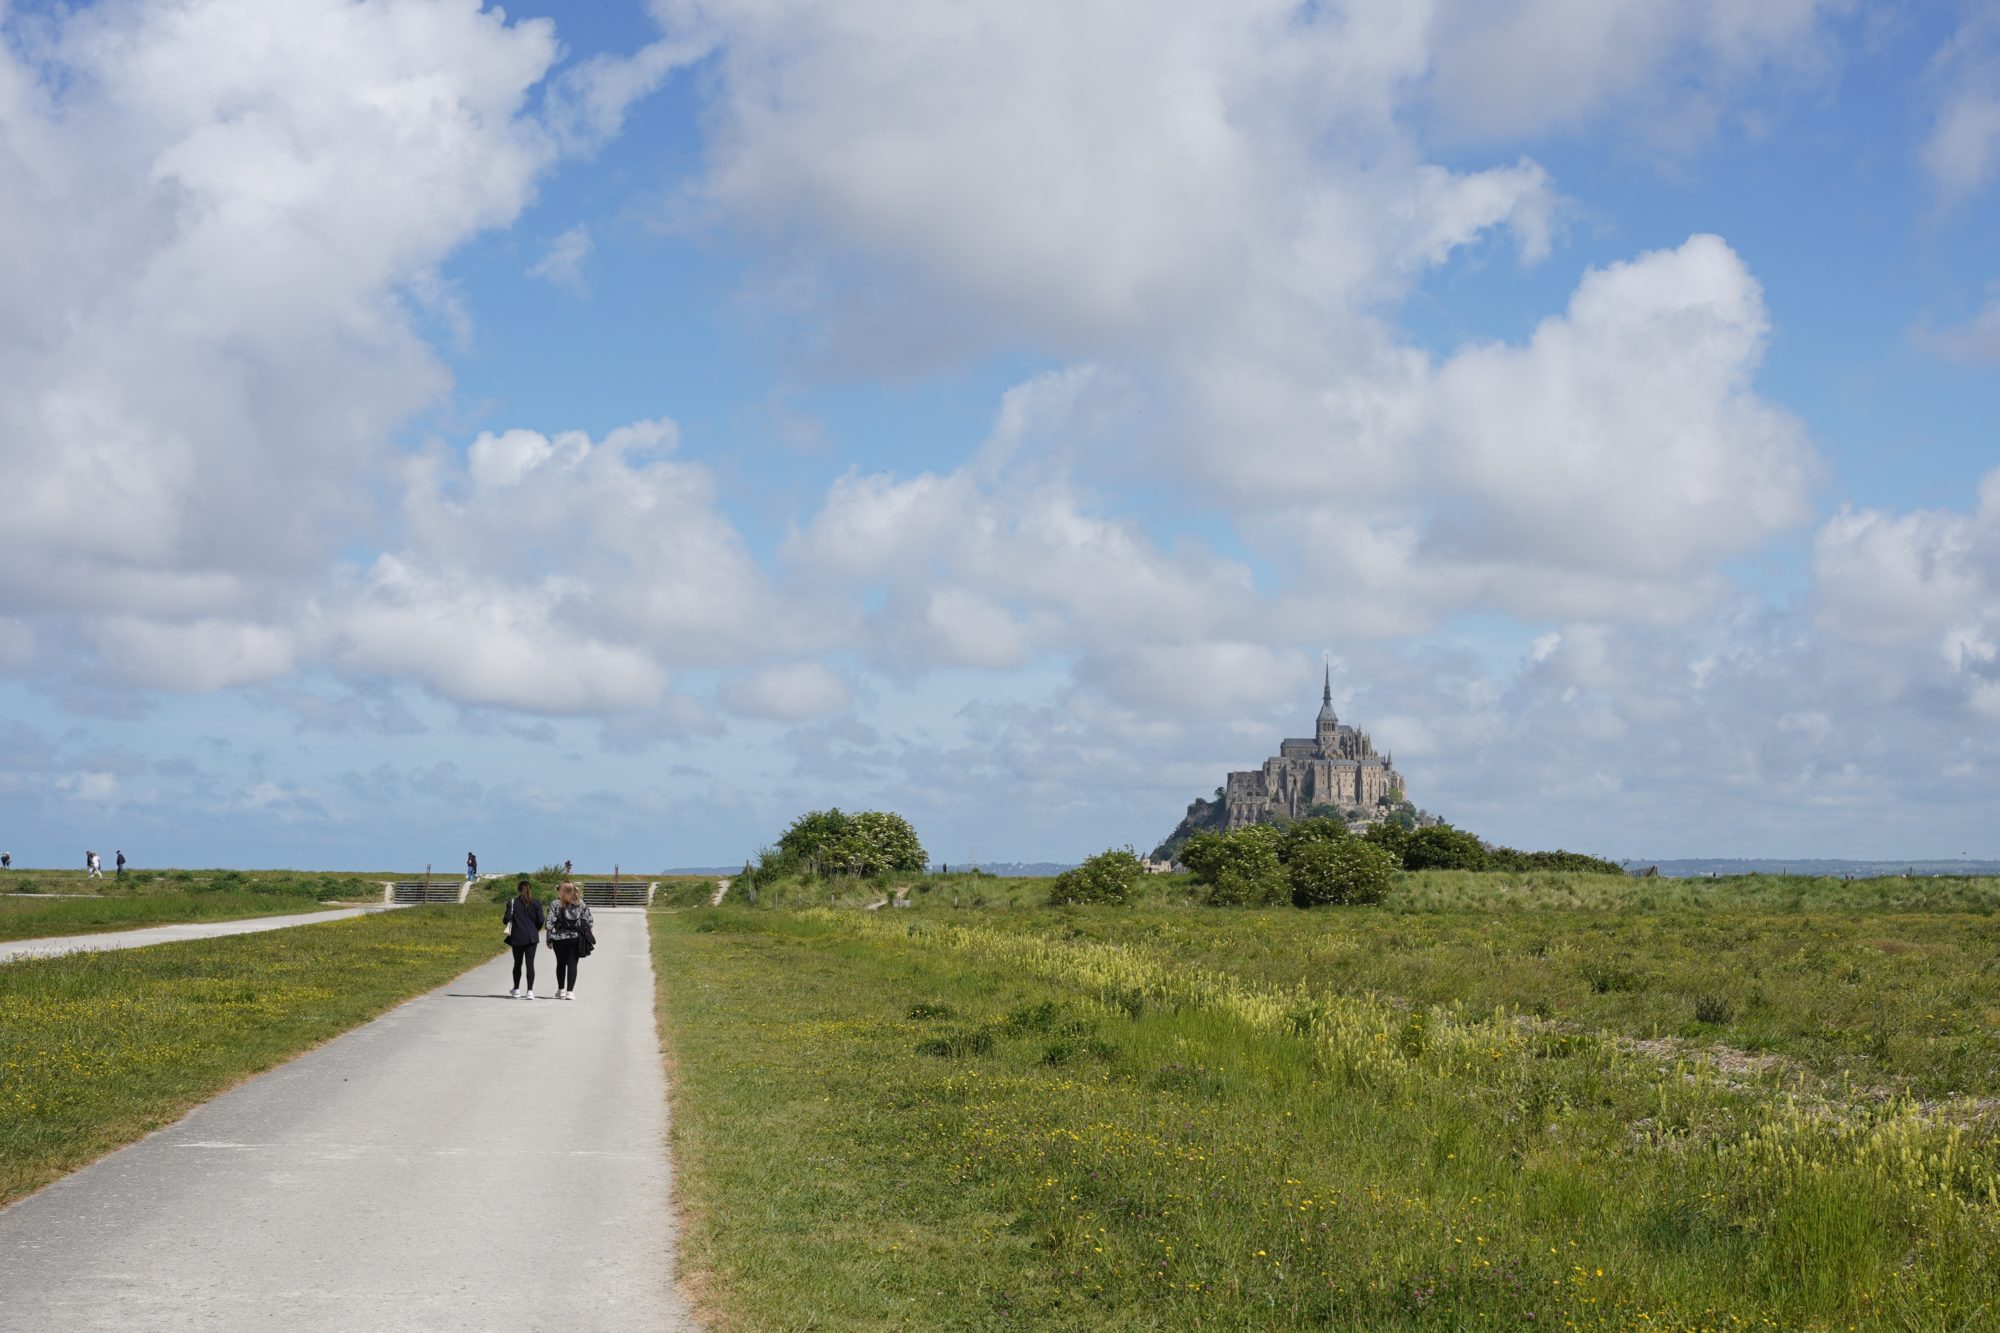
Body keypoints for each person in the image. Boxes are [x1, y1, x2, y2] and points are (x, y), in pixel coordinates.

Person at [546, 882, 594, 1001]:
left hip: (558, 938)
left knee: (560, 964)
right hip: (575, 938)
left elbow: (549, 923)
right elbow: (590, 921)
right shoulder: (580, 904)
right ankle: (570, 992)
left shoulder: (555, 904)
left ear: (560, 890)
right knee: (573, 964)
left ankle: (561, 990)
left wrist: (548, 938)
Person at [502, 877, 545, 1000]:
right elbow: (541, 920)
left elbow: (506, 919)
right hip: (532, 937)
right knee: (530, 964)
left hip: (517, 936)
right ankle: (530, 991)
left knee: (517, 963)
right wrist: (535, 929)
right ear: (530, 889)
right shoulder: (536, 903)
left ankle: (516, 989)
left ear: (519, 890)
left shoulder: (513, 902)